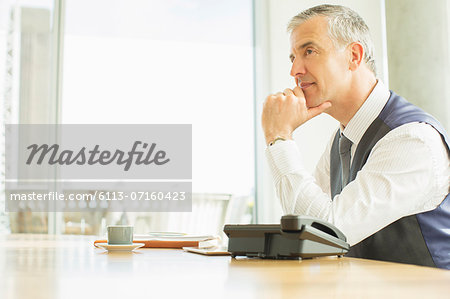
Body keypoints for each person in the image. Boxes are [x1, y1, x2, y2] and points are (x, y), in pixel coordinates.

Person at [262, 4, 450, 269]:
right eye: (293, 57)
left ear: (354, 55)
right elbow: (304, 227)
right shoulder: (342, 140)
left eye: (309, 51)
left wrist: (279, 138)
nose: (295, 70)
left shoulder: (410, 139)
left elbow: (326, 234)